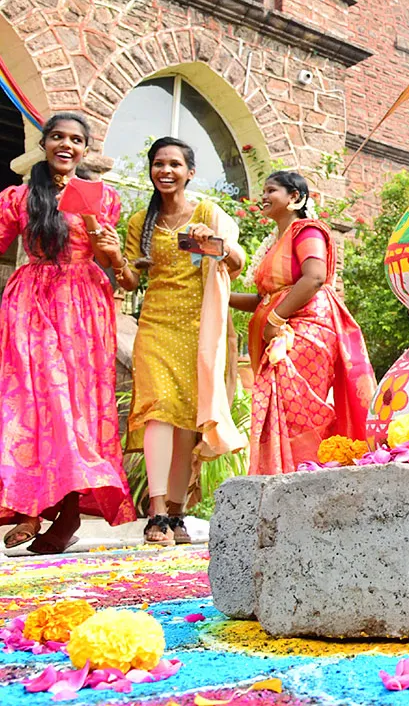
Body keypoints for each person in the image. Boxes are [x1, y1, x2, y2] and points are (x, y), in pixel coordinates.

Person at [0, 113, 134, 554]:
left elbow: (114, 265)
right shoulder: (18, 197)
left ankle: (66, 513)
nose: (67, 145)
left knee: (75, 410)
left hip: (84, 308)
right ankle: (30, 505)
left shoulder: (104, 198)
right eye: (58, 137)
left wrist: (108, 247)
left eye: (76, 140)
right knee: (31, 405)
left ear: (85, 150)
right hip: (30, 302)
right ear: (45, 143)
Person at [115, 138, 246, 545]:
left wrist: (213, 241)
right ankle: (154, 514)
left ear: (190, 172)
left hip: (198, 325)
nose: (165, 171)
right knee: (157, 410)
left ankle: (176, 513)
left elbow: (237, 264)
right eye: (158, 164)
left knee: (188, 420)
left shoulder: (206, 213)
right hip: (154, 322)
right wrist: (119, 263)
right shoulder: (141, 222)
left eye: (174, 164)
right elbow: (132, 280)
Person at [231, 172, 373, 474]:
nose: (264, 197)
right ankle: (279, 482)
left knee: (300, 411)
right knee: (280, 411)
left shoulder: (307, 232)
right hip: (278, 331)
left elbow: (315, 277)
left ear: (295, 198)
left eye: (271, 190)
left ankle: (303, 478)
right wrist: (220, 294)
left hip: (306, 329)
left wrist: (276, 318)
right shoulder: (275, 243)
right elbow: (264, 299)